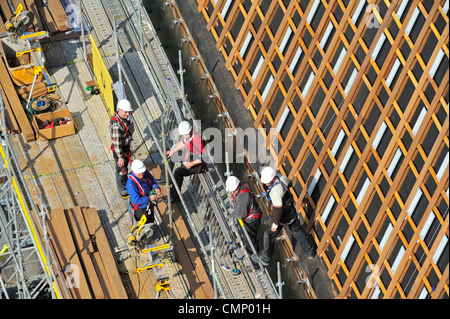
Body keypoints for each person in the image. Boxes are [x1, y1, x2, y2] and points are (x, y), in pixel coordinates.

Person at [251, 167, 316, 266]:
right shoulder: (281, 177)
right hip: (290, 210)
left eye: (267, 182)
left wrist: (275, 224)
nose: (265, 184)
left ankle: (265, 258)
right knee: (298, 231)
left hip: (282, 215)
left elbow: (278, 209)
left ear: (272, 179)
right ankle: (310, 251)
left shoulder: (275, 191)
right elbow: (289, 183)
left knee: (268, 235)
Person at [166, 120, 206, 202]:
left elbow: (202, 158)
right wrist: (172, 151)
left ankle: (174, 197)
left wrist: (190, 165)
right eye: (183, 135)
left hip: (198, 164)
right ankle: (166, 178)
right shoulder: (188, 135)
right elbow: (182, 143)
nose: (185, 136)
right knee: (172, 156)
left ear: (190, 131)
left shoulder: (196, 140)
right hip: (190, 156)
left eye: (186, 134)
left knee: (178, 172)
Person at [226, 176, 261, 253]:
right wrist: (235, 198)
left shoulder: (242, 197)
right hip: (255, 212)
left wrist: (233, 213)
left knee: (249, 241)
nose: (232, 193)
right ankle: (256, 250)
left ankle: (254, 258)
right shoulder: (244, 183)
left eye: (233, 191)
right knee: (252, 237)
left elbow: (241, 215)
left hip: (252, 219)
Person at [110, 99, 134, 198]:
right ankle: (122, 189)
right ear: (120, 110)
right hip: (121, 151)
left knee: (124, 169)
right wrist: (120, 157)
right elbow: (117, 143)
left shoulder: (121, 119)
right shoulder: (117, 126)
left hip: (125, 148)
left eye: (129, 112)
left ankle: (124, 183)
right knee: (122, 170)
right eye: (126, 112)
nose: (128, 114)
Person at [126, 159, 161, 224]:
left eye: (142, 171)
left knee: (151, 221)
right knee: (143, 226)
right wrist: (150, 198)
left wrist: (156, 188)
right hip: (141, 209)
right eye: (139, 172)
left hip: (149, 201)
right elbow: (136, 201)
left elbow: (152, 180)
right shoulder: (131, 184)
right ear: (133, 171)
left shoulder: (144, 172)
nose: (141, 174)